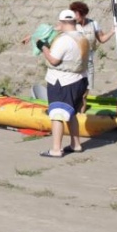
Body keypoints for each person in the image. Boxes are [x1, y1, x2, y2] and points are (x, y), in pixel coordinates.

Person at [38, 9, 89, 158]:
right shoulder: (82, 36)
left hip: (62, 81)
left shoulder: (64, 40)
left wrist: (43, 47)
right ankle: (75, 144)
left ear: (61, 22)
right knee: (71, 113)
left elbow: (54, 60)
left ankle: (56, 149)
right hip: (79, 80)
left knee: (57, 114)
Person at [69, 1, 115, 94]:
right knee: (75, 90)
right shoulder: (71, 25)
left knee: (85, 91)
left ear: (83, 14)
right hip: (74, 63)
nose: (74, 17)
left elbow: (101, 39)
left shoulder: (94, 24)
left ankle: (83, 102)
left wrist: (112, 31)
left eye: (76, 14)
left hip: (88, 63)